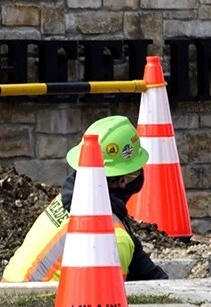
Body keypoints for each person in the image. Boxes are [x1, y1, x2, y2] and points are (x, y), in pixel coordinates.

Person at [3, 116, 168, 283]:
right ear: (122, 180)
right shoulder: (114, 237)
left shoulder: (67, 199)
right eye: (136, 170)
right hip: (43, 304)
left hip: (11, 293)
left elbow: (143, 270)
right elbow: (109, 302)